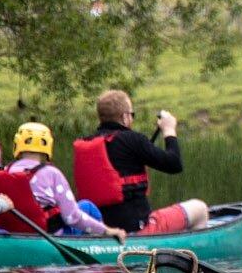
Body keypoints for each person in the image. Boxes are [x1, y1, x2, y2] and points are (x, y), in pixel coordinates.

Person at [72, 90, 209, 235]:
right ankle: (194, 255)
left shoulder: (85, 143)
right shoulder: (132, 139)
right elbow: (174, 164)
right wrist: (169, 130)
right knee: (199, 209)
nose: (132, 119)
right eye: (132, 115)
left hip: (101, 232)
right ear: (124, 117)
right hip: (137, 230)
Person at [0, 122, 126, 240]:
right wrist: (106, 230)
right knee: (87, 206)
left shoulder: (6, 172)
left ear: (17, 143)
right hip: (50, 236)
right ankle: (103, 242)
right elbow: (72, 217)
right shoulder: (52, 173)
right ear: (48, 146)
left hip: (14, 233)